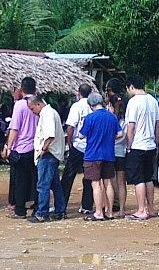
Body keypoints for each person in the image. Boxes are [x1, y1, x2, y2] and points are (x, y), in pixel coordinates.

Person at [78, 93, 122, 221]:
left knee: (95, 184)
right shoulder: (112, 117)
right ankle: (109, 212)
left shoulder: (90, 118)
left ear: (91, 105)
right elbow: (120, 133)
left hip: (93, 155)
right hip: (108, 155)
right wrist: (109, 137)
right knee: (108, 183)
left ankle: (98, 212)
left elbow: (81, 135)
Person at [124, 75, 159, 220]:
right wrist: (156, 143)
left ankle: (141, 210)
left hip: (137, 145)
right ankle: (150, 208)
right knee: (148, 177)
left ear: (131, 86)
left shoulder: (133, 102)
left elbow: (131, 126)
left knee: (138, 179)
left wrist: (129, 145)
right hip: (151, 145)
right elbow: (158, 125)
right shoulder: (153, 101)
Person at [3, 77, 40, 219]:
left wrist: (9, 146)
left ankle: (20, 210)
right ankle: (37, 206)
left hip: (21, 147)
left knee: (20, 180)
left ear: (21, 89)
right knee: (35, 179)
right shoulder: (40, 103)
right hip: (36, 147)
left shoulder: (19, 105)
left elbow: (14, 128)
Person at [27, 96, 66, 222]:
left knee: (43, 184)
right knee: (55, 185)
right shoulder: (50, 112)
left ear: (38, 104)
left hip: (48, 154)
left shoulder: (47, 114)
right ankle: (60, 210)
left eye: (32, 108)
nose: (32, 112)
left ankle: (42, 213)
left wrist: (43, 149)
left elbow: (50, 135)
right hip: (51, 154)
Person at [61, 84, 95, 216]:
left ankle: (62, 205)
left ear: (78, 93)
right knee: (89, 177)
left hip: (78, 145)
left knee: (68, 176)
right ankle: (87, 205)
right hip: (91, 147)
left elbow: (70, 126)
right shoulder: (93, 106)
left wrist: (70, 142)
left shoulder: (76, 106)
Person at [108, 93, 128, 215]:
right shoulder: (125, 119)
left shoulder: (110, 119)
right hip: (122, 152)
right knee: (122, 182)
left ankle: (109, 209)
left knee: (109, 181)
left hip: (110, 151)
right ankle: (121, 209)